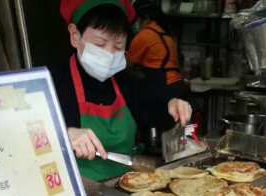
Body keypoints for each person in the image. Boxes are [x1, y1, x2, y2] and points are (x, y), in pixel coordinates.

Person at [50, 0, 192, 182]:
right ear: (75, 35)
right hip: (74, 193)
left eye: (118, 46)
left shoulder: (127, 82)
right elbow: (22, 135)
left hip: (125, 186)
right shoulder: (52, 81)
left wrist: (172, 104)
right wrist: (62, 133)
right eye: (100, 45)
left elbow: (156, 107)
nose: (109, 54)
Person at [126, 0, 187, 100]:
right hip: (178, 85)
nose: (135, 24)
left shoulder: (144, 36)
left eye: (136, 19)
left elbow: (126, 64)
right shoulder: (166, 35)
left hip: (164, 88)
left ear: (146, 18)